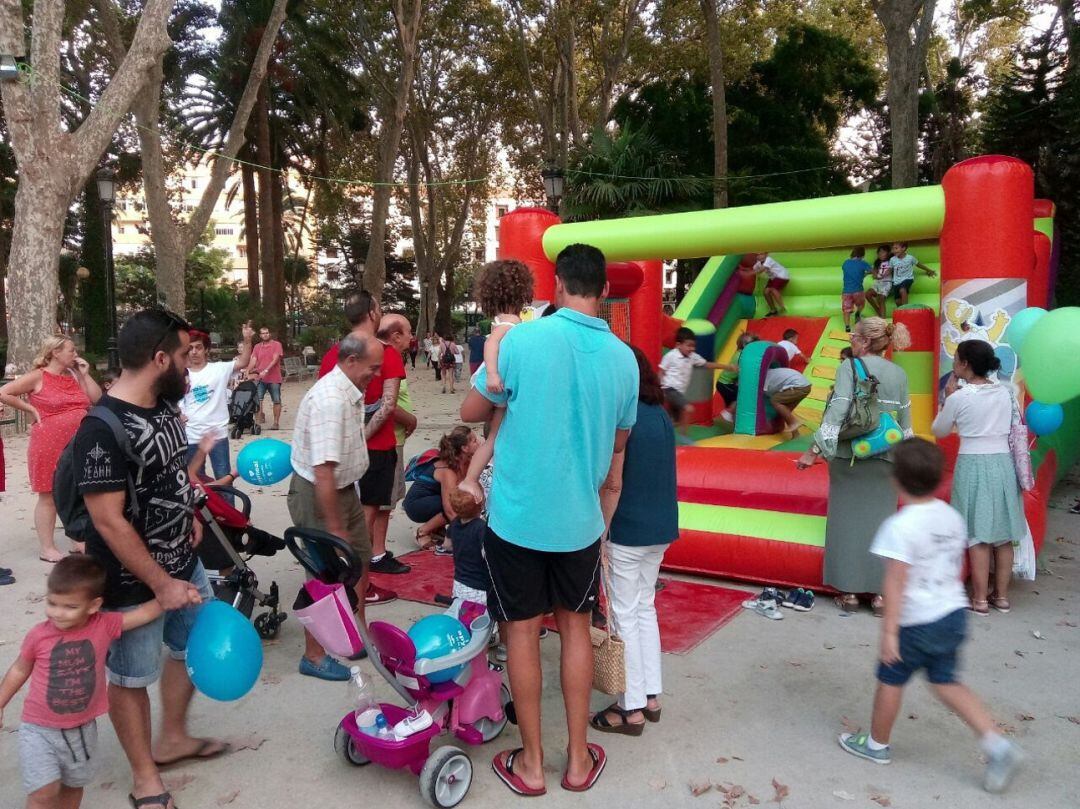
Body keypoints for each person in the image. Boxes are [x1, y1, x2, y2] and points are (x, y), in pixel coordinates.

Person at [460, 242, 638, 796]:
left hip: (516, 519)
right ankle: (579, 760)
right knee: (576, 630)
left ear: (557, 285)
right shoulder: (625, 360)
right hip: (581, 522)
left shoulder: (523, 341)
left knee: (521, 632)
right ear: (605, 291)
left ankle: (533, 764)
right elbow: (618, 448)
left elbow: (471, 412)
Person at [71, 309, 217, 809]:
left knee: (189, 647)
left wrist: (190, 511)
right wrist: (160, 584)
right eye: (181, 357)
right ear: (159, 359)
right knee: (131, 675)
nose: (189, 366)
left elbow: (171, 470)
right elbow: (108, 521)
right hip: (133, 579)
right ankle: (143, 776)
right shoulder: (101, 428)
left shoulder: (161, 407)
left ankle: (172, 736)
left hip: (184, 558)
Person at [838, 438, 1023, 794]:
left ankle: (876, 745)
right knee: (946, 681)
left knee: (890, 680)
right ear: (939, 480)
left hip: (916, 621)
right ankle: (999, 746)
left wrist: (889, 633)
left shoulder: (900, 525)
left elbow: (894, 583)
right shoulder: (950, 516)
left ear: (895, 479)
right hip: (951, 614)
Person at [0, 556, 163, 809]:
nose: (57, 613)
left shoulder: (104, 625)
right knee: (44, 791)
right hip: (38, 729)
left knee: (74, 788)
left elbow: (141, 614)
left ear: (93, 605)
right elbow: (20, 669)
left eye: (69, 606)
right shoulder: (39, 636)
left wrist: (171, 595)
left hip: (81, 730)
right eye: (52, 603)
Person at [797, 318, 912, 615]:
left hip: (850, 456)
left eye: (853, 336)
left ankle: (848, 593)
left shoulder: (848, 368)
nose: (851, 340)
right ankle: (880, 596)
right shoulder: (899, 373)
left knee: (846, 524)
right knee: (881, 525)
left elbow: (837, 410)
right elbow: (905, 422)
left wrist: (815, 449)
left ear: (862, 341)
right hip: (887, 457)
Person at [590, 346, 678, 736]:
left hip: (627, 528)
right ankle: (651, 695)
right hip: (660, 527)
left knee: (624, 614)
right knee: (644, 609)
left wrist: (601, 528)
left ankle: (630, 707)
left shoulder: (622, 419)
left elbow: (612, 480)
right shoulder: (660, 414)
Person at [289, 333, 385, 680]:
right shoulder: (331, 400)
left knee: (358, 559)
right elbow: (323, 470)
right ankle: (313, 656)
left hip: (342, 490)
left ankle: (354, 633)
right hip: (320, 493)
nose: (374, 375)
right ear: (350, 361)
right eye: (372, 369)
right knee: (324, 576)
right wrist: (334, 528)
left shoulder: (349, 390)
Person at [318, 292, 407, 595]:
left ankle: (352, 578)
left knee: (348, 515)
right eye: (379, 308)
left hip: (339, 451)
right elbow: (389, 405)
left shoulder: (334, 354)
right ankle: (359, 584)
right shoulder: (387, 353)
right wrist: (361, 439)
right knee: (363, 521)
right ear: (372, 313)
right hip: (376, 448)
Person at [931, 340, 1024, 616]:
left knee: (977, 534)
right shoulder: (1006, 393)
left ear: (965, 364)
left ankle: (980, 599)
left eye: (956, 358)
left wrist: (945, 400)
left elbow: (940, 430)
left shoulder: (959, 397)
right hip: (1003, 464)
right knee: (1004, 534)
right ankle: (1003, 597)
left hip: (972, 462)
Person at [0, 336, 102, 562]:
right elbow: (4, 392)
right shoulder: (39, 376)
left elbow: (97, 399)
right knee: (49, 493)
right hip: (49, 441)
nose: (75, 354)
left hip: (79, 441)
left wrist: (85, 375)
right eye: (71, 350)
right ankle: (47, 547)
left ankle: (78, 538)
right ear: (55, 352)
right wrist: (30, 409)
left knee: (80, 490)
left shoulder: (75, 375)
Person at [361, 315, 413, 577]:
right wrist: (411, 419)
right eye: (408, 333)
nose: (411, 338)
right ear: (394, 336)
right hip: (385, 441)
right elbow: (388, 405)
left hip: (381, 440)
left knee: (380, 502)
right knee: (381, 503)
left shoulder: (362, 351)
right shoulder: (388, 355)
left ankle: (373, 553)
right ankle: (374, 555)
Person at [180, 324, 254, 479]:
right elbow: (171, 400)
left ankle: (227, 504)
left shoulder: (219, 369)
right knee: (196, 482)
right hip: (191, 435)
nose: (194, 352)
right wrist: (178, 413)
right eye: (190, 348)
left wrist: (247, 340)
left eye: (198, 347)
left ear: (206, 349)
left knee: (223, 478)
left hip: (217, 434)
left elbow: (243, 362)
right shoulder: (180, 374)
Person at [404, 426, 480, 547]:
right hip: (415, 504)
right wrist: (467, 532)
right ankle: (422, 532)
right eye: (474, 441)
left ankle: (437, 529)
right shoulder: (447, 470)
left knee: (463, 500)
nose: (479, 443)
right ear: (465, 448)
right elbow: (450, 509)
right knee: (458, 504)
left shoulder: (467, 462)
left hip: (432, 498)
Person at [474, 260, 535, 394]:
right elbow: (491, 342)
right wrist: (492, 374)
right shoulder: (511, 319)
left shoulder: (501, 319)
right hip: (499, 376)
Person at [658, 327, 722, 434]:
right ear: (678, 345)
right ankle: (684, 437)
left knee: (675, 421)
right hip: (669, 389)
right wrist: (658, 389)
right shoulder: (671, 356)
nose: (692, 348)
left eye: (693, 346)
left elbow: (707, 364)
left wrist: (727, 367)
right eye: (688, 345)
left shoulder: (693, 357)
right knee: (688, 409)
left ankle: (662, 433)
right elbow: (661, 371)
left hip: (679, 392)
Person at [445, 487, 489, 604]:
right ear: (480, 506)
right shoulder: (481, 527)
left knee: (461, 613)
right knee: (480, 618)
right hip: (480, 587)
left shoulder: (454, 523)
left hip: (459, 583)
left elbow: (447, 545)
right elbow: (486, 553)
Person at [714, 332, 757, 423]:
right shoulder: (742, 356)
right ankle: (728, 413)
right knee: (741, 396)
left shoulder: (739, 353)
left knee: (733, 403)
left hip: (724, 383)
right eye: (752, 344)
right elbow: (743, 370)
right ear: (745, 345)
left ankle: (732, 419)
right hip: (725, 383)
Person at [247, 325, 283, 430]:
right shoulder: (257, 347)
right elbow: (253, 359)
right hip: (260, 378)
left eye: (267, 333)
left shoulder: (277, 345)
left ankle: (276, 423)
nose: (265, 335)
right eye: (263, 333)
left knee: (276, 400)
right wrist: (248, 371)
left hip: (274, 378)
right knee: (258, 399)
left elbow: (275, 359)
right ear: (260, 335)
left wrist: (266, 370)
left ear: (269, 334)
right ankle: (257, 423)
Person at [764, 366, 811, 437]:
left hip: (797, 386)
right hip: (806, 386)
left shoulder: (764, 379)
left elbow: (766, 394)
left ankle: (793, 422)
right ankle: (796, 435)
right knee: (786, 411)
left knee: (775, 401)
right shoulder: (771, 373)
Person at [889, 242, 936, 307]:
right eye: (893, 249)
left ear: (903, 248)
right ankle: (902, 314)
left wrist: (929, 270)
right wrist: (882, 275)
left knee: (902, 290)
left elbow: (919, 265)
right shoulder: (892, 259)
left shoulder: (910, 258)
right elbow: (889, 270)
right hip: (896, 282)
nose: (894, 251)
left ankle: (905, 309)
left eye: (896, 248)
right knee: (897, 301)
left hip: (908, 279)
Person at [841, 247, 872, 331]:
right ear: (862, 255)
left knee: (846, 310)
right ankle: (858, 312)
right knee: (861, 304)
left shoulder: (846, 263)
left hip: (847, 291)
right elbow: (871, 270)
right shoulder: (863, 263)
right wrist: (864, 274)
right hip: (858, 291)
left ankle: (847, 327)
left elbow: (847, 271)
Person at [753, 252, 789, 316]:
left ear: (766, 254)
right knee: (765, 292)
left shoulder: (768, 259)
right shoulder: (758, 263)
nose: (759, 256)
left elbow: (762, 269)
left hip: (782, 276)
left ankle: (782, 306)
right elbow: (753, 270)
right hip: (773, 278)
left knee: (773, 289)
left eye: (761, 254)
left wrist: (750, 273)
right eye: (757, 255)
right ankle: (773, 310)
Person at [866, 245, 893, 317]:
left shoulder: (891, 261)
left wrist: (883, 275)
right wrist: (869, 273)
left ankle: (883, 320)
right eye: (879, 252)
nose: (881, 254)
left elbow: (891, 270)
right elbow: (873, 270)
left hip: (887, 282)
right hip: (878, 283)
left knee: (880, 298)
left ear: (888, 253)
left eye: (883, 252)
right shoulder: (877, 263)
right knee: (868, 294)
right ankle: (877, 309)